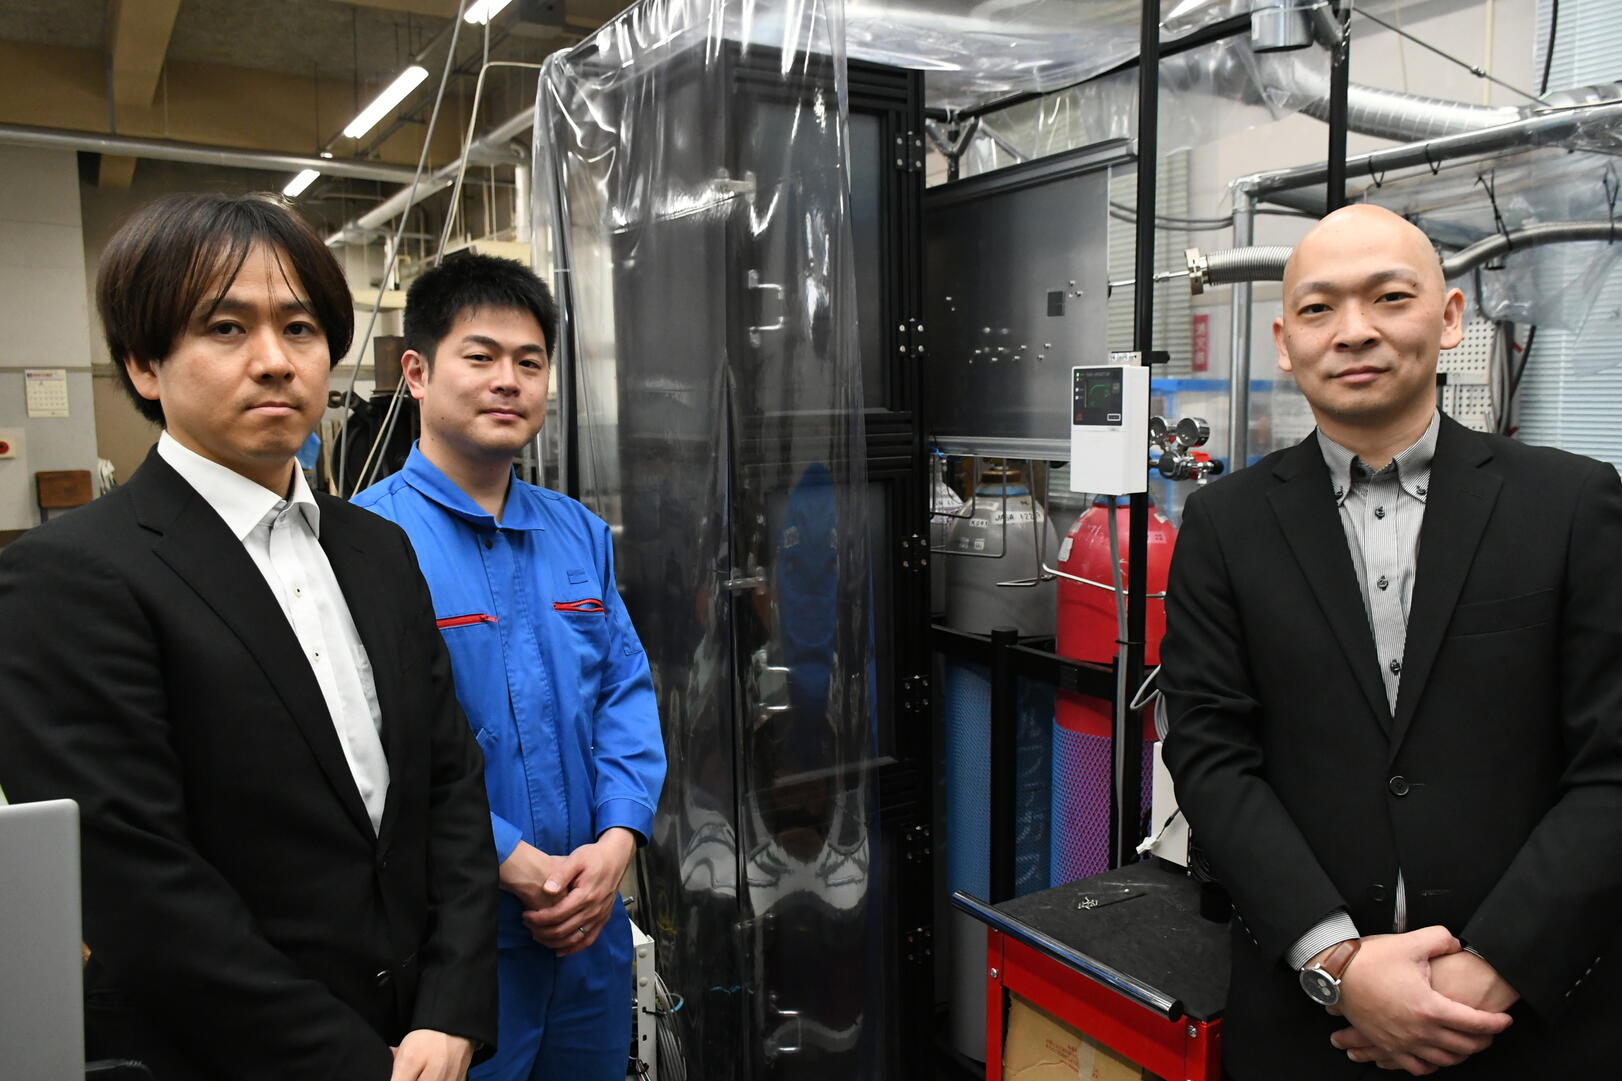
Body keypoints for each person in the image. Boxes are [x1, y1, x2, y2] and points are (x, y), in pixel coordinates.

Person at [0, 192, 498, 1081]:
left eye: (300, 328)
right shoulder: (70, 576)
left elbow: (450, 782)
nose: (274, 360)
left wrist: (452, 1007)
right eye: (226, 328)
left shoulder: (377, 548)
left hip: (424, 1042)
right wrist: (360, 1065)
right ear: (144, 364)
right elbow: (139, 888)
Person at [1160, 203, 1622, 1079]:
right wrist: (1339, 962)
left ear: (1449, 319)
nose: (1354, 330)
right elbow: (1211, 753)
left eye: (1389, 297)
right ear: (1286, 343)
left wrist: (1490, 970)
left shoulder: (1571, 505)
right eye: (1319, 307)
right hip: (1312, 1027)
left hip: (1530, 1024)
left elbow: (1612, 764)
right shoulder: (1224, 524)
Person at [354, 252, 665, 1081]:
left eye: (529, 362)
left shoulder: (577, 533)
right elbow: (364, 747)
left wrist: (618, 841)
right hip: (454, 939)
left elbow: (625, 695)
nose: (508, 381)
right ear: (417, 373)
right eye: (481, 356)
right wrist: (509, 860)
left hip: (589, 921)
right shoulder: (364, 545)